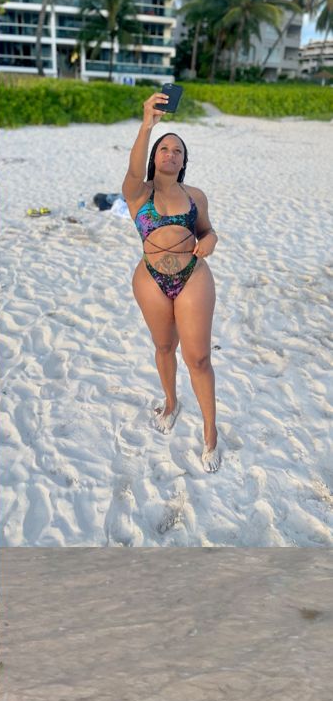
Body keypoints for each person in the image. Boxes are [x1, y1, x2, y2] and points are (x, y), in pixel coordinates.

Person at [122, 92, 220, 472]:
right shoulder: (138, 193)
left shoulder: (195, 196)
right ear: (154, 156)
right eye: (164, 148)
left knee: (198, 357)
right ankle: (171, 402)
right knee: (164, 347)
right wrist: (148, 124)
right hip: (150, 278)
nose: (170, 153)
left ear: (183, 161)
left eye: (177, 150)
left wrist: (210, 241)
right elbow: (132, 172)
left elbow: (208, 231)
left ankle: (211, 431)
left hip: (192, 276)